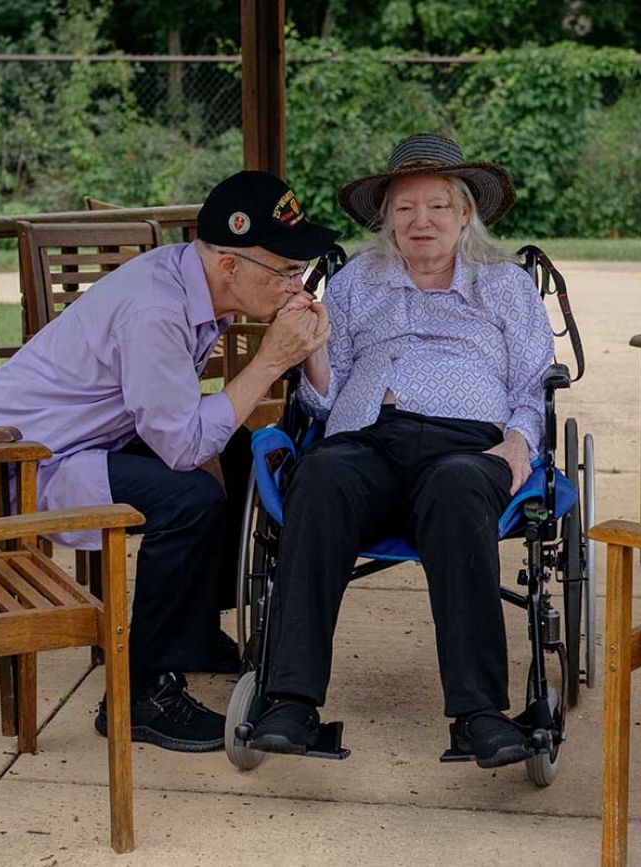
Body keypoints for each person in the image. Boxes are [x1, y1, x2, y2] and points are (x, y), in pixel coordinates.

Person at [0, 171, 338, 752]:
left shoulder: (195, 279)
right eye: (285, 271)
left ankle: (193, 631)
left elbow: (181, 424)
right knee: (190, 499)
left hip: (84, 436)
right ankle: (141, 693)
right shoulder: (156, 310)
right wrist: (272, 360)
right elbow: (180, 446)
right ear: (231, 267)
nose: (295, 286)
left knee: (240, 453)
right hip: (17, 464)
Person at [249, 134, 557, 769]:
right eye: (405, 207)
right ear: (386, 217)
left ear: (466, 213)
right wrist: (314, 350)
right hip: (365, 438)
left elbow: (533, 387)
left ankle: (478, 715)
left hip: (467, 446)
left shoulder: (505, 286)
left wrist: (518, 447)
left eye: (439, 206)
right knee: (321, 477)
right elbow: (323, 406)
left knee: (456, 489)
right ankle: (289, 700)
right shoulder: (358, 280)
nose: (422, 221)